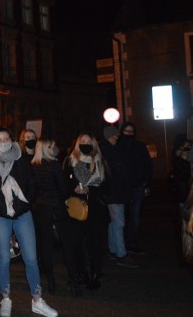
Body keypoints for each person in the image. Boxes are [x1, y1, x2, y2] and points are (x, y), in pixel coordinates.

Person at [0, 127, 57, 317]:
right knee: (3, 258)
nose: (3, 142)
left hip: (22, 214)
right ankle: (5, 298)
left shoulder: (21, 160)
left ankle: (37, 300)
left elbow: (31, 186)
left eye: (6, 138)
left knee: (30, 257)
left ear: (12, 141)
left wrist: (21, 206)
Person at [64, 132, 109, 290]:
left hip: (97, 209)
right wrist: (74, 190)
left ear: (94, 144)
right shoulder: (70, 161)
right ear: (77, 143)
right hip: (77, 210)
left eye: (89, 141)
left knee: (96, 244)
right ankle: (82, 273)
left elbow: (107, 186)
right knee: (78, 244)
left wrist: (90, 190)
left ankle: (95, 274)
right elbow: (63, 184)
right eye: (82, 141)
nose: (86, 144)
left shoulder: (100, 162)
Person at [30, 139, 73, 295]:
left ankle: (51, 282)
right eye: (52, 146)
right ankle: (73, 281)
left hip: (41, 209)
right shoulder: (55, 165)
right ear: (47, 149)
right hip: (57, 207)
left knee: (45, 245)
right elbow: (64, 189)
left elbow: (32, 190)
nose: (55, 148)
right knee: (67, 243)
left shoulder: (34, 166)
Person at [100, 126, 139, 268]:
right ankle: (121, 254)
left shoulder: (108, 149)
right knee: (118, 223)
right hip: (114, 192)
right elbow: (114, 173)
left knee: (113, 222)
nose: (117, 137)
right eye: (115, 135)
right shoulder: (108, 151)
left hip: (113, 192)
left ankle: (114, 249)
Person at [117, 122, 152, 255]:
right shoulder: (118, 147)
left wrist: (145, 182)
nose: (129, 134)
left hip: (137, 186)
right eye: (126, 131)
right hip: (122, 187)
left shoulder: (139, 146)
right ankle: (123, 243)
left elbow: (147, 165)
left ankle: (132, 243)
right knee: (122, 217)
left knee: (134, 216)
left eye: (131, 131)